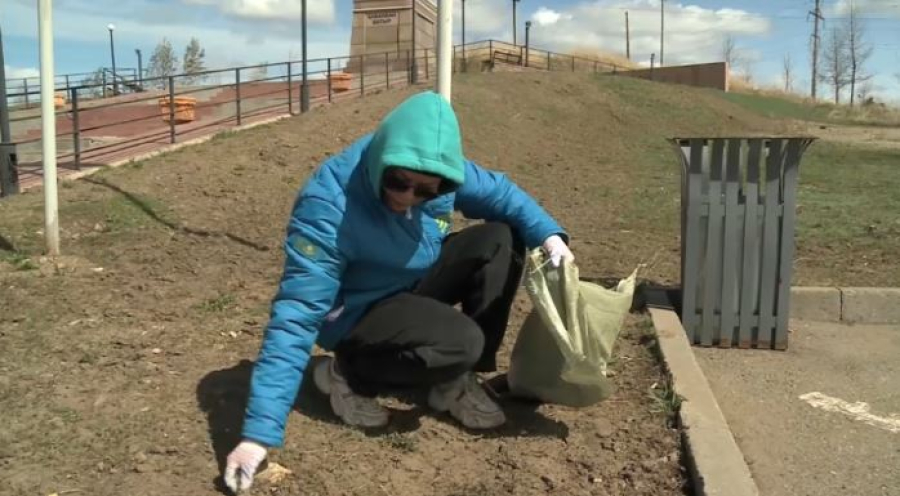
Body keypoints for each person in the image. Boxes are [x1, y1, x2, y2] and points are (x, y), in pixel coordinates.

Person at [223, 91, 574, 493]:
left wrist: (550, 237)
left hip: (408, 278)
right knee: (462, 341)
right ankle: (348, 374)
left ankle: (456, 380)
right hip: (356, 310)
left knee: (499, 239)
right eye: (397, 182)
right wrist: (257, 436)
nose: (407, 196)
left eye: (424, 192)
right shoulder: (329, 205)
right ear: (383, 160)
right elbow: (296, 315)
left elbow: (501, 193)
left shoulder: (439, 175)